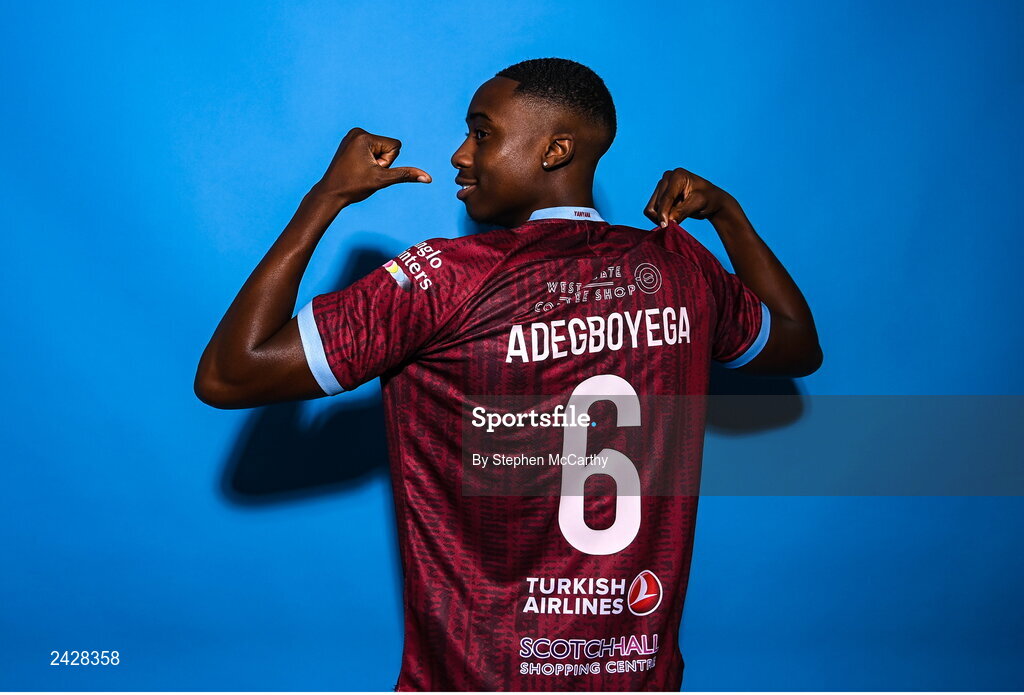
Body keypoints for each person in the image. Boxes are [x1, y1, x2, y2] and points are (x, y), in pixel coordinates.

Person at [195, 57, 821, 691]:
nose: (460, 155)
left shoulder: (445, 279)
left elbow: (229, 375)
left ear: (555, 150)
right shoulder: (685, 272)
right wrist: (729, 217)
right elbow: (797, 344)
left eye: (482, 132)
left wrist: (325, 196)